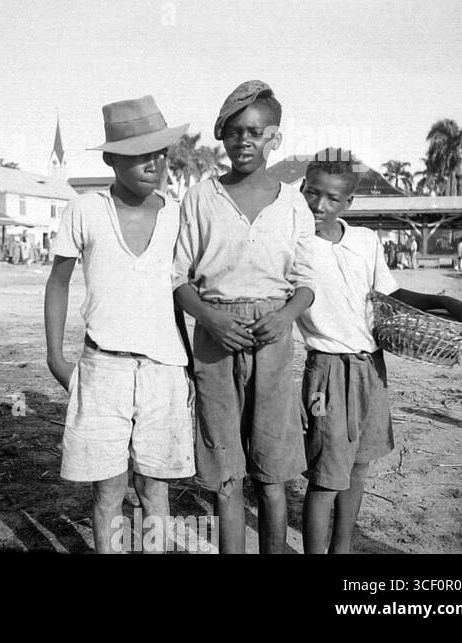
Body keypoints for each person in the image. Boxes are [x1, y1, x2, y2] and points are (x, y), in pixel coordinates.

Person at [295, 151, 462, 554]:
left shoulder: (364, 241)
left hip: (371, 367)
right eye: (311, 193)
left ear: (348, 204)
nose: (318, 205)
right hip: (328, 370)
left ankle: (341, 549)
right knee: (327, 476)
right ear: (301, 189)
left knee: (359, 466)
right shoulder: (294, 246)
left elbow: (392, 294)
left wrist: (443, 302)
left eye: (331, 198)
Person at [46, 95, 194, 553]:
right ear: (111, 158)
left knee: (154, 489)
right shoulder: (86, 211)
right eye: (138, 153)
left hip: (163, 370)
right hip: (102, 368)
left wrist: (186, 364)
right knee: (108, 490)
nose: (154, 163)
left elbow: (178, 295)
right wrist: (56, 358)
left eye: (161, 153)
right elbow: (58, 283)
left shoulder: (177, 216)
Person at [173, 80, 315, 554]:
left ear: (275, 137)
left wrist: (286, 316)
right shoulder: (201, 197)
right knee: (225, 471)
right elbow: (178, 278)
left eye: (255, 132)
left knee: (272, 472)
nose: (244, 142)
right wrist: (209, 318)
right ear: (223, 137)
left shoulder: (292, 203)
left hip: (273, 334)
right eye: (234, 132)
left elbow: (307, 280)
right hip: (215, 335)